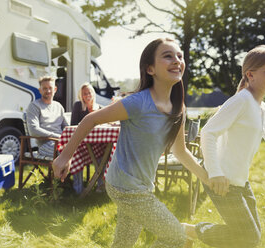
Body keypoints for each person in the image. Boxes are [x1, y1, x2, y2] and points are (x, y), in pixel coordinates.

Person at [52, 38, 209, 248]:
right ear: (150, 69)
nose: (177, 60)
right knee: (176, 237)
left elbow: (180, 151)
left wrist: (206, 178)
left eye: (179, 56)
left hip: (142, 185)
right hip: (126, 186)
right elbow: (91, 119)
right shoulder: (138, 102)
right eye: (168, 56)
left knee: (124, 243)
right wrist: (65, 156)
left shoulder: (177, 108)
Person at [185, 45, 265, 248]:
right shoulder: (241, 101)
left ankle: (191, 232)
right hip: (222, 182)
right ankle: (189, 231)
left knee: (249, 238)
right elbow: (208, 132)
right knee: (248, 239)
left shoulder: (262, 108)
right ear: (250, 75)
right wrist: (215, 173)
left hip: (240, 183)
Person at [70, 82, 103, 194]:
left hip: (96, 143)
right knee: (76, 153)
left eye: (89, 92)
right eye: (84, 93)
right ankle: (78, 189)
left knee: (105, 151)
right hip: (81, 143)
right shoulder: (78, 106)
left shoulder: (99, 108)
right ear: (81, 95)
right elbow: (73, 125)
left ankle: (101, 185)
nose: (87, 95)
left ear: (93, 94)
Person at [26, 76, 68, 157]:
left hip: (61, 142)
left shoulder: (58, 106)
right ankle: (61, 170)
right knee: (67, 153)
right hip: (45, 145)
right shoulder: (34, 106)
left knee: (81, 149)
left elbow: (66, 127)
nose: (48, 91)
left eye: (50, 88)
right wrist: (56, 136)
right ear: (40, 90)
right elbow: (33, 130)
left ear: (55, 89)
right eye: (45, 88)